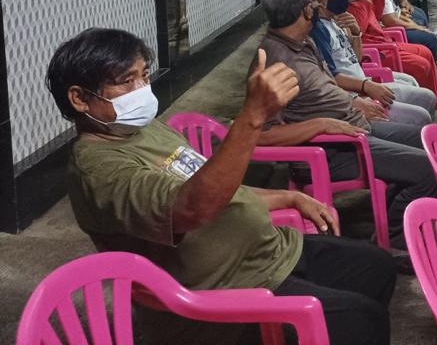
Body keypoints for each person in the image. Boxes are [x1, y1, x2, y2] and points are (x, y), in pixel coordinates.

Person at [51, 28, 396, 345]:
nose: (142, 90)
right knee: (361, 320)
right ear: (80, 99)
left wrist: (288, 196)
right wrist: (252, 117)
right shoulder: (99, 170)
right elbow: (193, 206)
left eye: (144, 76)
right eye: (127, 82)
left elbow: (212, 181)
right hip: (223, 295)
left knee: (377, 266)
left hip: (266, 253)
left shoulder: (142, 130)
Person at [256, 0, 437, 248]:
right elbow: (261, 135)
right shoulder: (275, 62)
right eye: (315, 2)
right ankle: (397, 240)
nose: (319, 7)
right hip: (332, 150)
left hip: (353, 128)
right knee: (426, 168)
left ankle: (395, 222)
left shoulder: (302, 42)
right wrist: (321, 124)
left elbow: (332, 81)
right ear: (305, 10)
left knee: (429, 141)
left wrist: (354, 102)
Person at [309, 0, 437, 129]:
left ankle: (433, 136)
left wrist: (356, 34)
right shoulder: (319, 30)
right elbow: (331, 76)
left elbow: (356, 59)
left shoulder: (337, 20)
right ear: (321, 0)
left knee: (417, 88)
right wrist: (366, 86)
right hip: (355, 93)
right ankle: (429, 138)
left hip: (363, 81)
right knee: (422, 111)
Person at [335, 0, 437, 99]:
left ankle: (436, 94)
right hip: (374, 49)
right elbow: (360, 29)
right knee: (420, 65)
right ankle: (427, 98)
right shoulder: (348, 6)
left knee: (425, 52)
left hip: (383, 40)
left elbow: (377, 15)